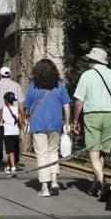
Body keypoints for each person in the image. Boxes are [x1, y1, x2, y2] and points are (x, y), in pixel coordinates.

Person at [71, 46, 111, 200]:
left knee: (93, 152)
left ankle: (103, 182)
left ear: (92, 60)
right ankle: (95, 186)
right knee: (101, 152)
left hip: (92, 115)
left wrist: (75, 120)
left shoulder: (87, 76)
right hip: (110, 114)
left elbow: (79, 101)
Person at [22, 58, 71, 197]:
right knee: (53, 152)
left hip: (38, 124)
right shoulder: (60, 86)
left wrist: (26, 118)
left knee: (42, 154)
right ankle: (54, 181)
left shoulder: (33, 86)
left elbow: (26, 107)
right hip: (55, 123)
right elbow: (66, 106)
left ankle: (44, 187)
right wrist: (67, 122)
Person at [0, 91, 23, 175]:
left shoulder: (2, 109)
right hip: (16, 132)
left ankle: (13, 168)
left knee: (10, 151)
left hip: (7, 133)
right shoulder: (17, 109)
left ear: (5, 100)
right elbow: (21, 121)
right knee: (13, 150)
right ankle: (8, 166)